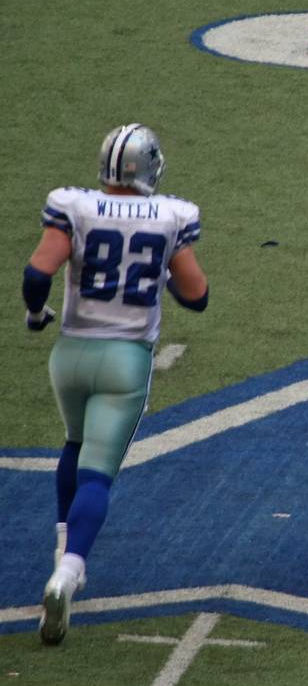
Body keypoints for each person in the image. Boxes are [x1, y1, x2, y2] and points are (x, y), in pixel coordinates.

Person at [23, 124, 210, 645]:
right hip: (125, 359)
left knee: (73, 444)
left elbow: (38, 272)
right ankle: (68, 572)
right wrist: (160, 271)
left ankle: (64, 549)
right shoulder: (172, 215)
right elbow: (197, 296)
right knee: (98, 475)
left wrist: (36, 313)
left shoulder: (74, 205)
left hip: (71, 353)